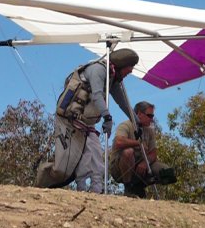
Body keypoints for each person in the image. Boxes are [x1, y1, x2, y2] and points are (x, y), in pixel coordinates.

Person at [35, 48, 139, 192]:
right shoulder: (98, 69)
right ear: (122, 64)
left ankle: (96, 191)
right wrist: (107, 117)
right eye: (130, 68)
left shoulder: (112, 78)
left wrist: (136, 121)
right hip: (70, 121)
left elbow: (123, 102)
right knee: (63, 168)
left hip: (87, 124)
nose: (131, 71)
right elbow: (96, 95)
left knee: (96, 160)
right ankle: (43, 184)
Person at [110, 101, 175, 198]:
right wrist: (138, 143)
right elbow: (118, 142)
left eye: (152, 116)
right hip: (119, 167)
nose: (152, 119)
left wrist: (145, 162)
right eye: (150, 116)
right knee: (128, 152)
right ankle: (128, 188)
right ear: (139, 114)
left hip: (140, 165)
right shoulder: (126, 125)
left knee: (166, 172)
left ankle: (139, 186)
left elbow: (153, 154)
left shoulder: (149, 130)